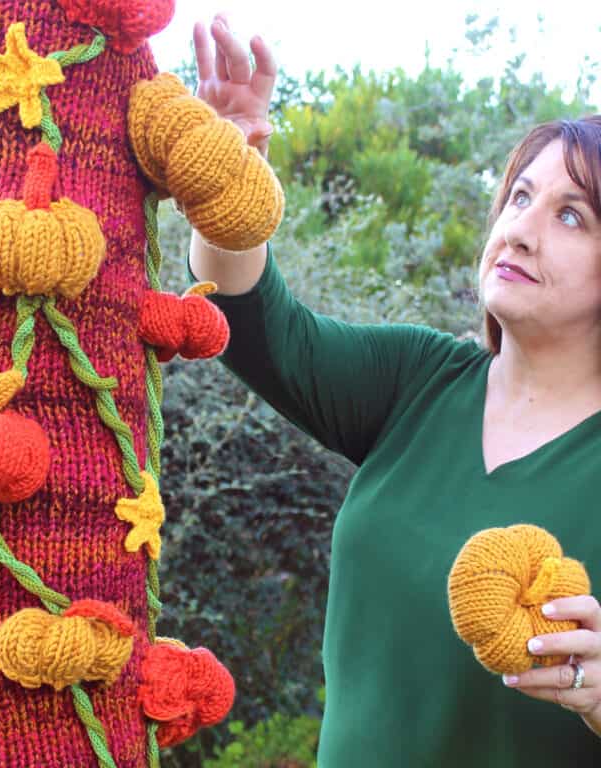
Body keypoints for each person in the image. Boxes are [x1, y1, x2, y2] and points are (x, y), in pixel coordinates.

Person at [188, 14, 601, 767]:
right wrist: (228, 174)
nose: (519, 230)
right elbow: (248, 320)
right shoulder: (418, 380)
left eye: (571, 215)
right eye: (519, 197)